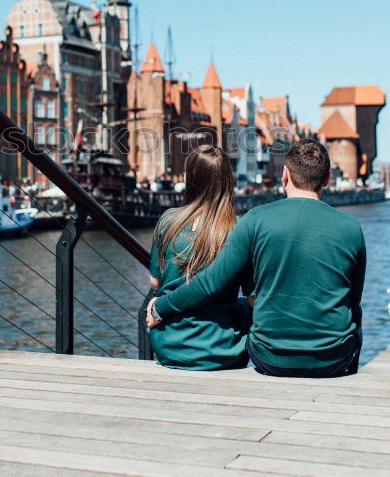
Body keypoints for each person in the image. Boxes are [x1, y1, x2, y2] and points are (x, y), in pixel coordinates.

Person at [147, 138, 366, 378]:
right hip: (333, 361)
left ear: (285, 175)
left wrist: (161, 306)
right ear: (327, 179)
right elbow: (353, 298)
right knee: (355, 313)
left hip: (269, 357)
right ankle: (348, 376)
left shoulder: (256, 219)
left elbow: (209, 282)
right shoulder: (351, 227)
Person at [148, 146, 251, 370]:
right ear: (227, 180)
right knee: (245, 306)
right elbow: (251, 292)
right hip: (219, 347)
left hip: (169, 346)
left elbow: (155, 281)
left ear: (190, 178)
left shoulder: (168, 220)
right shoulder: (237, 228)